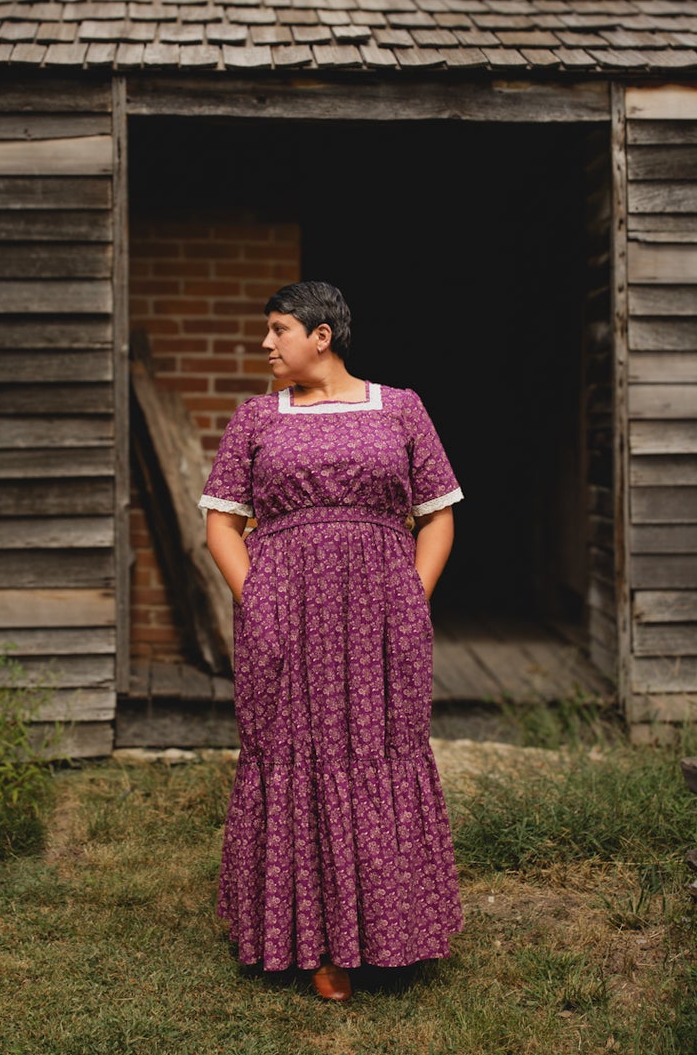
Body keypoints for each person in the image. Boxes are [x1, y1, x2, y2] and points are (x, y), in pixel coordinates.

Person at [198, 280, 465, 1002]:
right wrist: (257, 598)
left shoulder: (401, 407)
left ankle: (387, 931)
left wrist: (413, 592)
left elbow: (437, 512)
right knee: (294, 750)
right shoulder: (257, 418)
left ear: (322, 335)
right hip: (285, 613)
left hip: (380, 611)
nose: (266, 344)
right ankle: (313, 942)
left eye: (278, 329)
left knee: (379, 748)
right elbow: (222, 521)